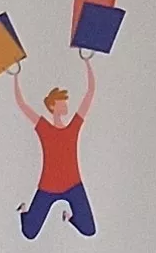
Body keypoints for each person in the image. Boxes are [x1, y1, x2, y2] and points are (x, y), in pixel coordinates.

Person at [13, 54, 96, 239]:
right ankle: (23, 212)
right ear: (53, 106)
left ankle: (70, 217)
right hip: (48, 185)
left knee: (89, 229)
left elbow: (90, 93)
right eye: (61, 102)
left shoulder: (73, 127)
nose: (65, 105)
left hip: (73, 183)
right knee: (29, 232)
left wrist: (87, 62)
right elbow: (22, 104)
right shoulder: (44, 128)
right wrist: (16, 76)